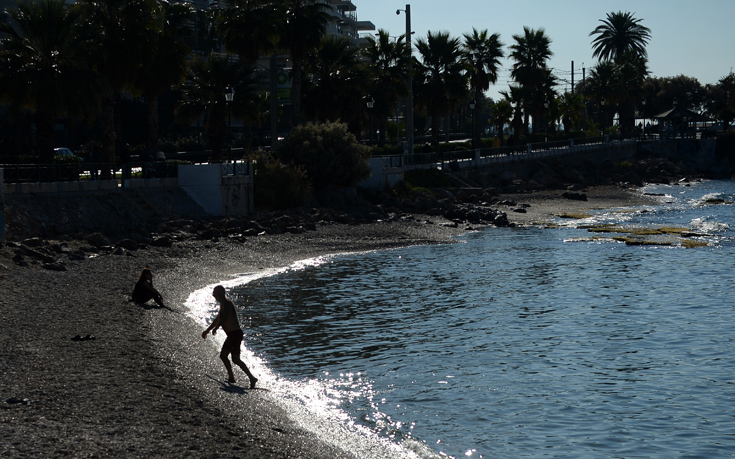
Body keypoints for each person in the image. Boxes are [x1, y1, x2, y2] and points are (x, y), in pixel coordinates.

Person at [202, 285, 258, 388]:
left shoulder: (226, 302)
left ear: (220, 294)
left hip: (235, 334)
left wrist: (216, 328)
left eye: (215, 293)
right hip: (233, 335)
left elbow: (224, 317)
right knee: (227, 357)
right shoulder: (223, 303)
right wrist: (207, 331)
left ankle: (251, 378)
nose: (213, 294)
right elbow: (217, 319)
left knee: (233, 358)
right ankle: (235, 377)